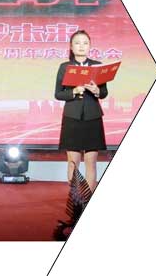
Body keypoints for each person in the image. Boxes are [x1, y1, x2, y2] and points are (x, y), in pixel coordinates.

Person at [55, 29, 108, 192]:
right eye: (77, 43)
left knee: (91, 162)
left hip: (93, 117)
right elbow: (58, 94)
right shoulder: (65, 67)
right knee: (73, 162)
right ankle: (76, 200)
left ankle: (89, 199)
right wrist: (74, 91)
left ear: (90, 46)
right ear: (71, 47)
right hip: (72, 118)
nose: (81, 46)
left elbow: (104, 92)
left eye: (85, 43)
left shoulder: (97, 66)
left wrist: (96, 90)